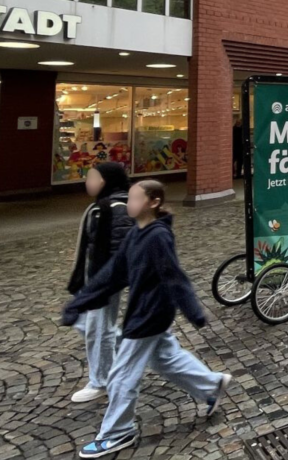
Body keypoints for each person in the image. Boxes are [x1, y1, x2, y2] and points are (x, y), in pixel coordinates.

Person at [62, 180, 231, 459]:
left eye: (135, 199)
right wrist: (80, 302)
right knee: (166, 358)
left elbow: (175, 277)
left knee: (121, 374)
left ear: (153, 202)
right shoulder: (135, 234)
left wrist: (195, 312)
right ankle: (210, 385)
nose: (129, 204)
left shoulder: (157, 236)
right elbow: (112, 273)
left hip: (150, 315)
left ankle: (118, 432)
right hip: (143, 312)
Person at [67, 162, 134, 404]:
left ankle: (102, 380)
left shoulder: (114, 208)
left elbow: (118, 251)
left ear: (105, 181)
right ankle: (120, 360)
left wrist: (101, 284)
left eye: (92, 176)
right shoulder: (102, 206)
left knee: (98, 328)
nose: (87, 181)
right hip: (95, 280)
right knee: (92, 325)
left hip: (102, 282)